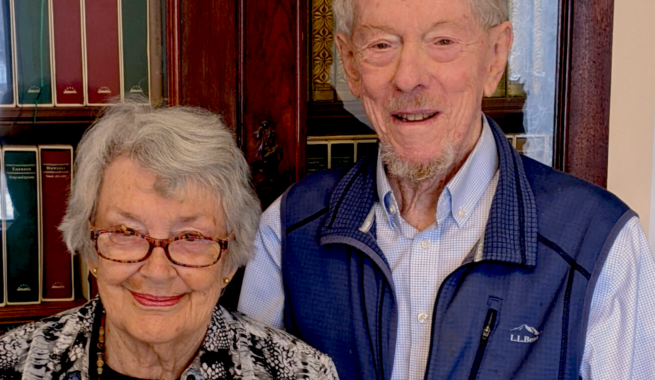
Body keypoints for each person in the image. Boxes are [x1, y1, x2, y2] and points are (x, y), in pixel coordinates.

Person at [238, 0, 655, 379]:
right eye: (382, 45)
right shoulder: (287, 231)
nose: (408, 77)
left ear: (495, 57)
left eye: (442, 41)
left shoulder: (600, 245)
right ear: (350, 63)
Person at [0, 103, 340, 380]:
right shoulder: (2, 368)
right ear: (90, 246)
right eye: (127, 233)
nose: (158, 271)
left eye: (191, 237)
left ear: (230, 258)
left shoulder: (299, 373)